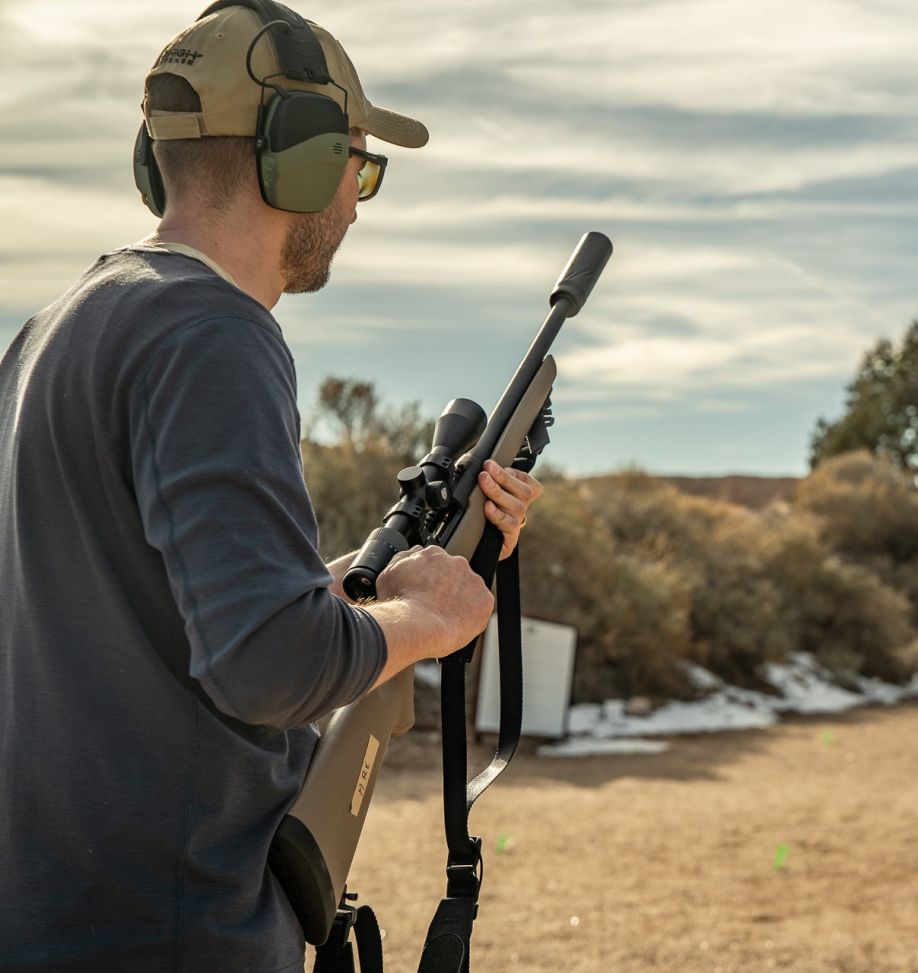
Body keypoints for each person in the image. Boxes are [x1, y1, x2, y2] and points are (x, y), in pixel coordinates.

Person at [0, 4, 541, 971]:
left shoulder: (53, 331)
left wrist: (355, 584)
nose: (356, 203)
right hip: (170, 934)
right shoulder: (214, 335)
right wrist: (430, 619)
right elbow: (268, 663)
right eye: (358, 166)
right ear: (298, 152)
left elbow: (143, 619)